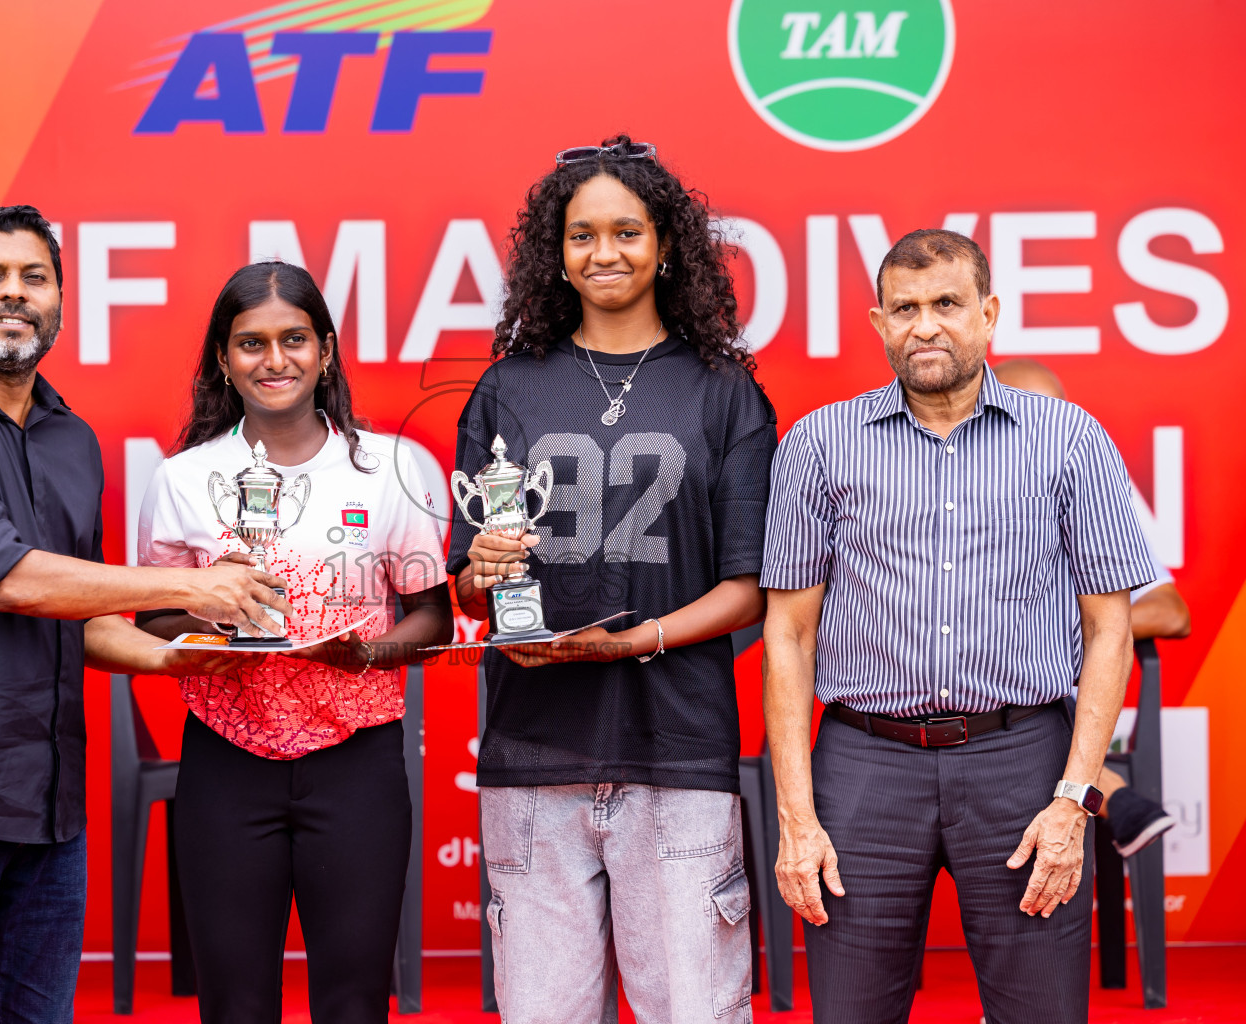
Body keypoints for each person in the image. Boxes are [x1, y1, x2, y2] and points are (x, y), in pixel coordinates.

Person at [0, 206, 296, 1024]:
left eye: (35, 278)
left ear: (59, 301)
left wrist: (169, 659)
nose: (13, 294)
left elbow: (76, 612)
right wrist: (190, 587)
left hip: (50, 805)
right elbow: (10, 581)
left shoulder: (72, 440)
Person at [762, 229, 1154, 1024]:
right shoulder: (818, 445)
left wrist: (1074, 800)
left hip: (1023, 765)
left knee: (1040, 1012)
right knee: (852, 1013)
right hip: (864, 768)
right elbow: (788, 635)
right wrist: (798, 820)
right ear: (878, 323)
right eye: (905, 308)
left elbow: (1109, 632)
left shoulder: (1069, 440)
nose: (927, 325)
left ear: (989, 314)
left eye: (947, 303)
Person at [449, 136, 776, 1023]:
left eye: (627, 232)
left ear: (667, 244)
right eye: (581, 235)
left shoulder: (725, 394)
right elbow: (471, 589)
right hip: (534, 757)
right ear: (555, 253)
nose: (605, 254)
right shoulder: (508, 389)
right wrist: (479, 571)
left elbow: (749, 586)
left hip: (678, 753)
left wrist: (637, 639)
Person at [135, 261, 452, 1023]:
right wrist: (211, 621)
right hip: (225, 760)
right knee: (234, 1004)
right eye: (250, 344)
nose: (273, 361)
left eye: (293, 340)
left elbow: (434, 618)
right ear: (222, 358)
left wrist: (369, 652)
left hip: (358, 763)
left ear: (327, 351)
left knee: (352, 1002)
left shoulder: (391, 471)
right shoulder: (181, 479)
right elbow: (149, 619)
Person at [993, 357, 1185, 856]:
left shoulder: (1094, 492)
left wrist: (1057, 639)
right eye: (1026, 415)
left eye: (1056, 414)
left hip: (1066, 698)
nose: (1043, 432)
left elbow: (1170, 612)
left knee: (1032, 697)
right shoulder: (948, 499)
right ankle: (1116, 799)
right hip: (982, 707)